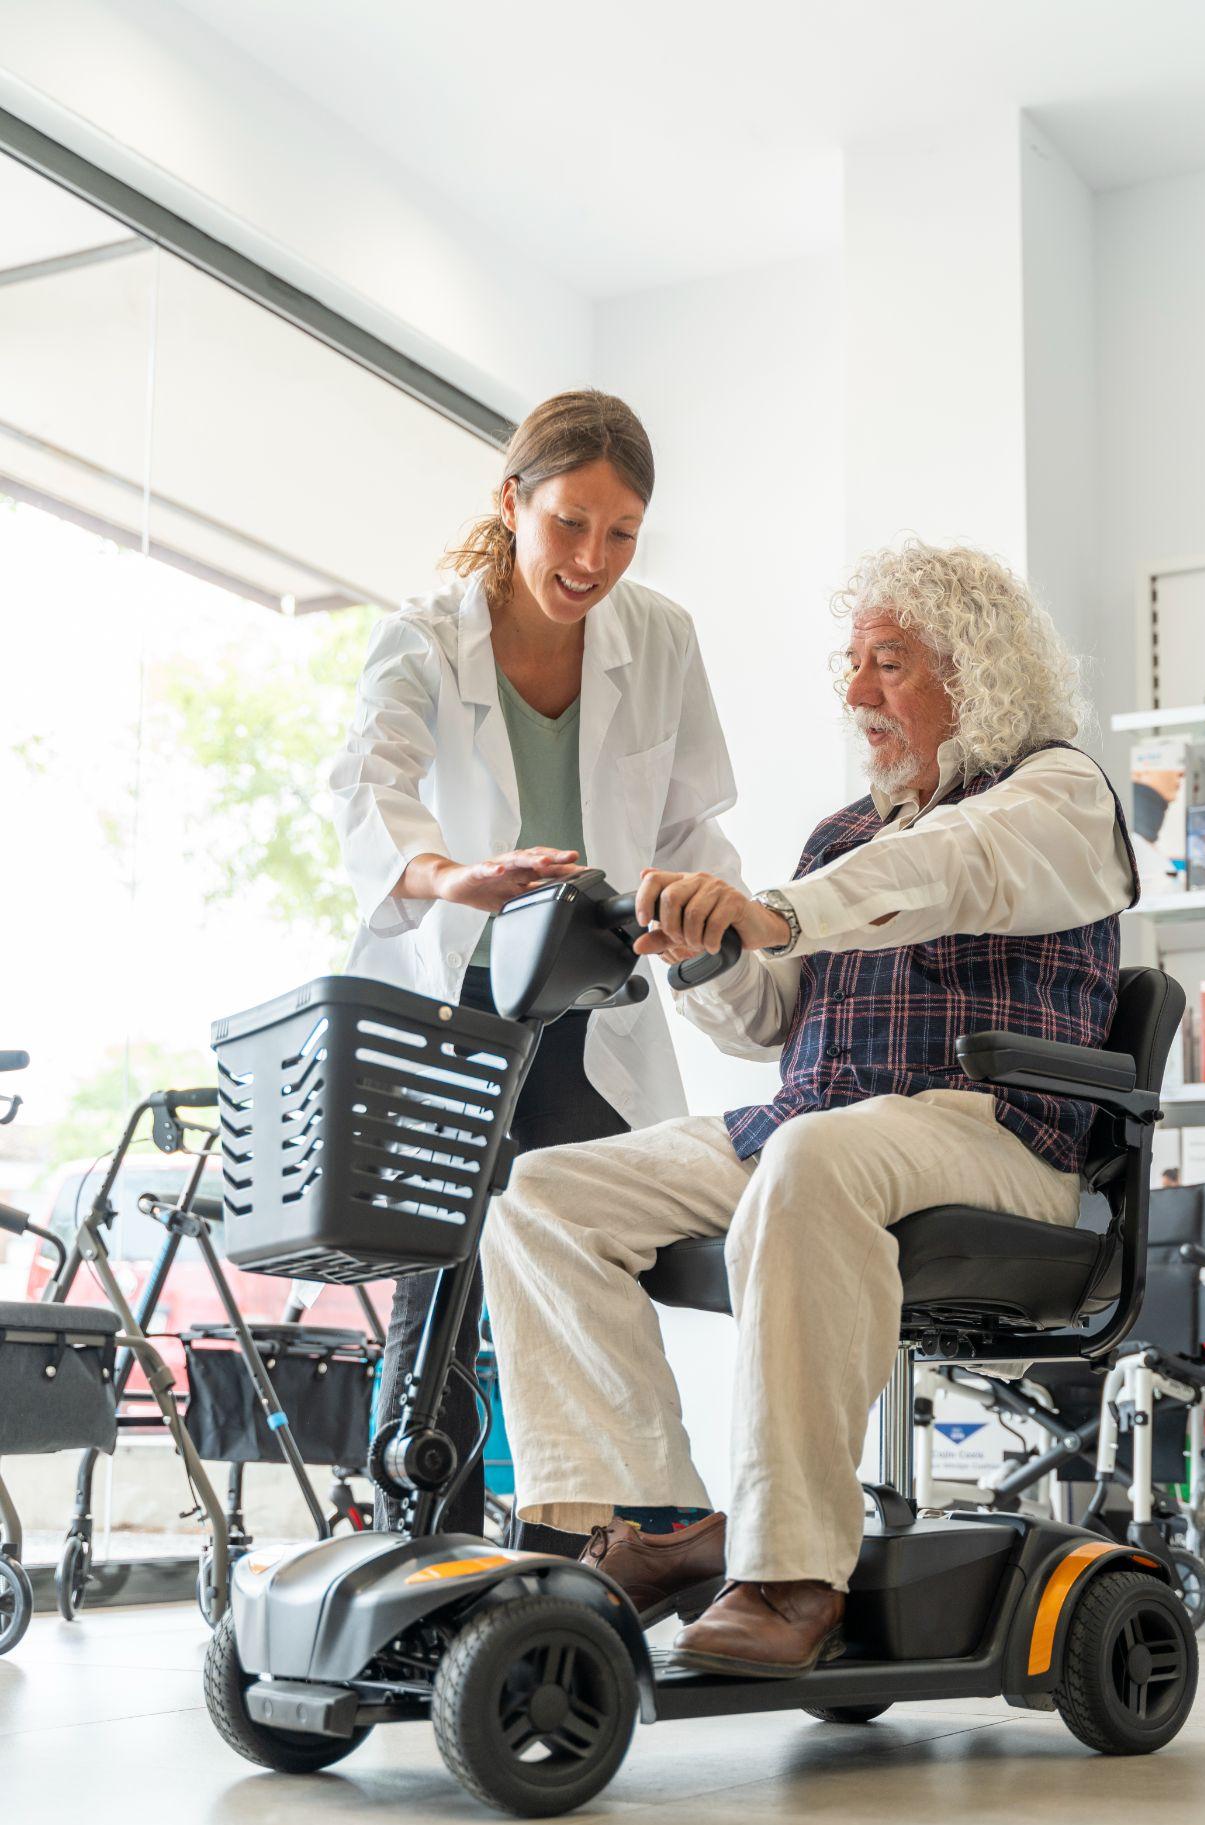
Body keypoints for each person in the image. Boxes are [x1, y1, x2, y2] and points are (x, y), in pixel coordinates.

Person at [481, 541, 1140, 1673]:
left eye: (888, 662)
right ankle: (658, 1522)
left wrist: (774, 910)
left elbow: (948, 867)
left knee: (817, 1155)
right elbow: (766, 1021)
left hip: (988, 1133)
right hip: (819, 1126)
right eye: (853, 664)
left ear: (976, 670)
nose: (856, 692)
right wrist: (709, 949)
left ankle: (791, 1571)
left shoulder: (1057, 795)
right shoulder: (843, 836)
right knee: (542, 1192)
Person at [329, 389, 742, 1543]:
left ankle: (614, 1542)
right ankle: (427, 1544)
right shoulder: (424, 636)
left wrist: (720, 926)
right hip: (456, 999)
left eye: (621, 534)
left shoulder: (660, 637)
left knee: (582, 1261)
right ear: (512, 501)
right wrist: (450, 874)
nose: (591, 559)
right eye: (569, 522)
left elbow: (691, 826)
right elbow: (370, 786)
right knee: (439, 1276)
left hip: (588, 1000)